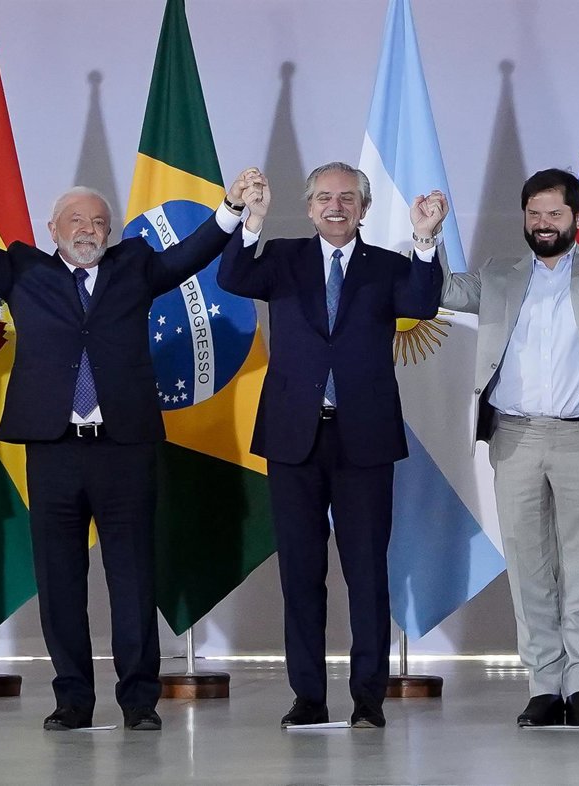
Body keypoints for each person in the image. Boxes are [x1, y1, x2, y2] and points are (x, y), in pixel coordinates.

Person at [0, 141, 252, 732]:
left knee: (133, 578)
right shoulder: (24, 269)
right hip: (53, 449)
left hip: (124, 449)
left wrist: (231, 206)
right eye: (76, 220)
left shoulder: (136, 266)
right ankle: (73, 699)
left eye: (99, 221)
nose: (89, 229)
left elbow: (195, 252)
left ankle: (138, 700)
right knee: (60, 582)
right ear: (53, 230)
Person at [217, 163, 445, 729]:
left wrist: (423, 239)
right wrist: (252, 220)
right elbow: (233, 277)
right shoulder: (282, 258)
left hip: (363, 438)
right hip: (293, 437)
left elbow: (422, 302)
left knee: (366, 573)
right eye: (324, 197)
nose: (335, 206)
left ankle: (368, 698)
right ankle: (309, 697)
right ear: (309, 206)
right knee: (300, 574)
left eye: (347, 198)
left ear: (363, 209)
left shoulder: (388, 265)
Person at [437, 167, 579, 728]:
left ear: (576, 218)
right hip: (516, 438)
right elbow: (441, 291)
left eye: (554, 214)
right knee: (528, 567)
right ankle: (543, 687)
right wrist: (426, 236)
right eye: (534, 214)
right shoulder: (498, 274)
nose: (542, 223)